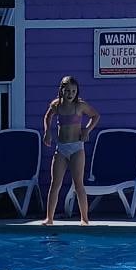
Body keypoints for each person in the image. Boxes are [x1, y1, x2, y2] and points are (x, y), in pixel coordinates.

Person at [43, 76, 100, 226]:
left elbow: (95, 116)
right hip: (61, 148)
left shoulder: (80, 106)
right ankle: (49, 218)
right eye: (67, 90)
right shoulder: (56, 105)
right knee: (55, 183)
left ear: (77, 92)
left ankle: (84, 219)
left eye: (73, 91)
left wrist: (87, 129)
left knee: (78, 184)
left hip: (76, 148)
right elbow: (48, 116)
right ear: (61, 90)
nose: (70, 94)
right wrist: (47, 131)